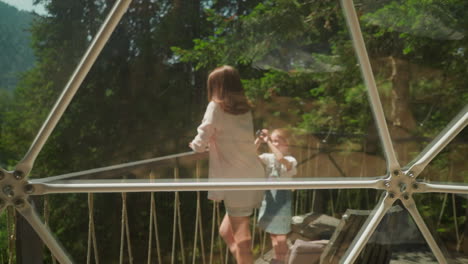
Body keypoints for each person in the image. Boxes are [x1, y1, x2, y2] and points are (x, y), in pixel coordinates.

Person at [189, 65, 264, 264]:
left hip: (237, 179)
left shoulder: (216, 106)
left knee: (242, 240)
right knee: (226, 232)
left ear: (217, 86)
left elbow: (204, 135)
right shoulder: (244, 109)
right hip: (253, 173)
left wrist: (196, 146)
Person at [255, 128, 297, 264]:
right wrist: (259, 140)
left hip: (282, 200)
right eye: (273, 141)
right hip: (269, 198)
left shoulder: (291, 160)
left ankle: (282, 260)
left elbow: (280, 158)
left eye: (277, 141)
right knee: (272, 233)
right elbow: (248, 155)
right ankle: (278, 260)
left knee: (281, 236)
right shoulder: (269, 157)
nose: (274, 144)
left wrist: (268, 142)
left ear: (287, 143)